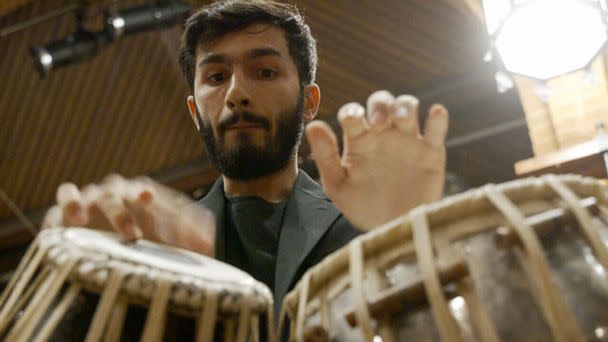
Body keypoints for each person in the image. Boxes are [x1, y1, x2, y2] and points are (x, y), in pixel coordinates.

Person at [43, 0, 448, 319]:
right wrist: (76, 282)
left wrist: (412, 234)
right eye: (216, 77)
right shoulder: (157, 244)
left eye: (266, 72)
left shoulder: (368, 222)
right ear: (194, 111)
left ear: (309, 103)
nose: (236, 92)